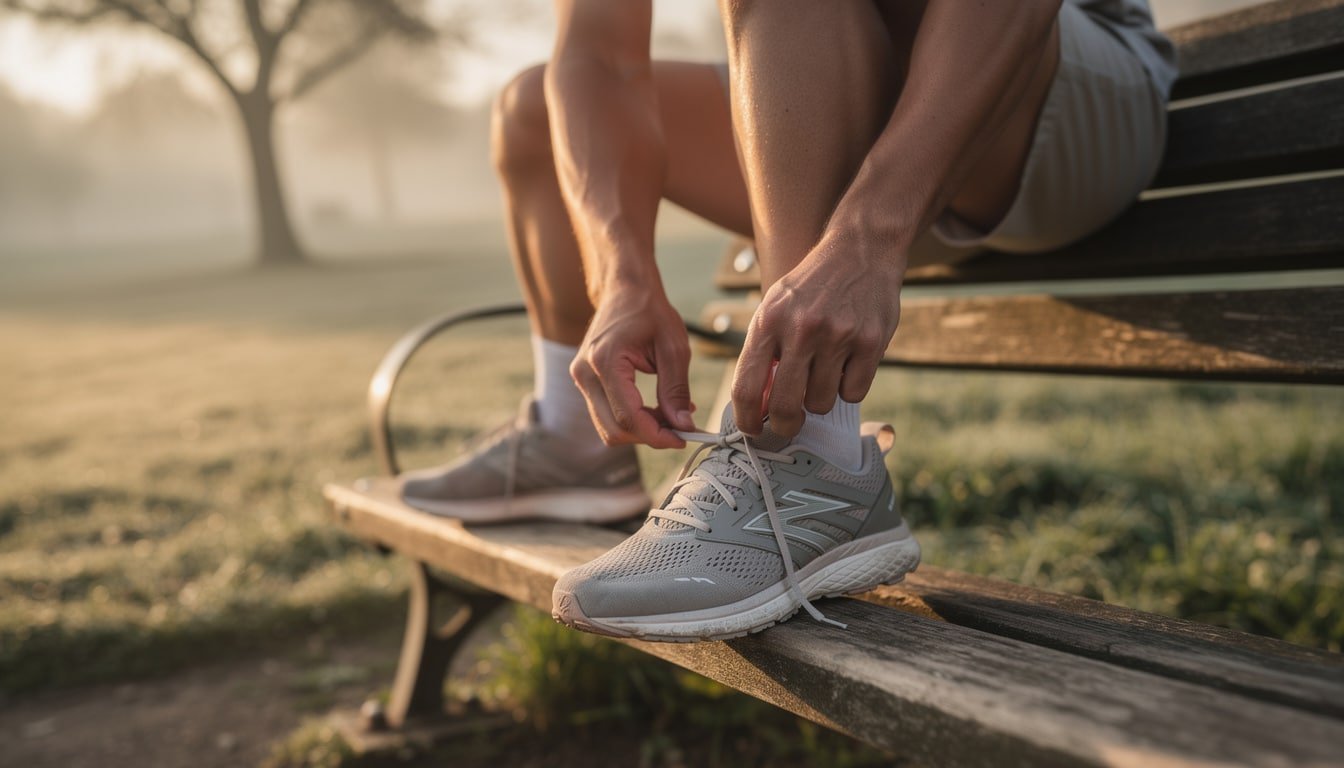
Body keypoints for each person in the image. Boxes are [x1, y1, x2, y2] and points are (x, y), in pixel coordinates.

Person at [400, 0, 1176, 641]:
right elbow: (598, 57)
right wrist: (620, 277)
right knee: (533, 106)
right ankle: (574, 443)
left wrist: (870, 236)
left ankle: (809, 457)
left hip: (1050, 94)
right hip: (881, 117)